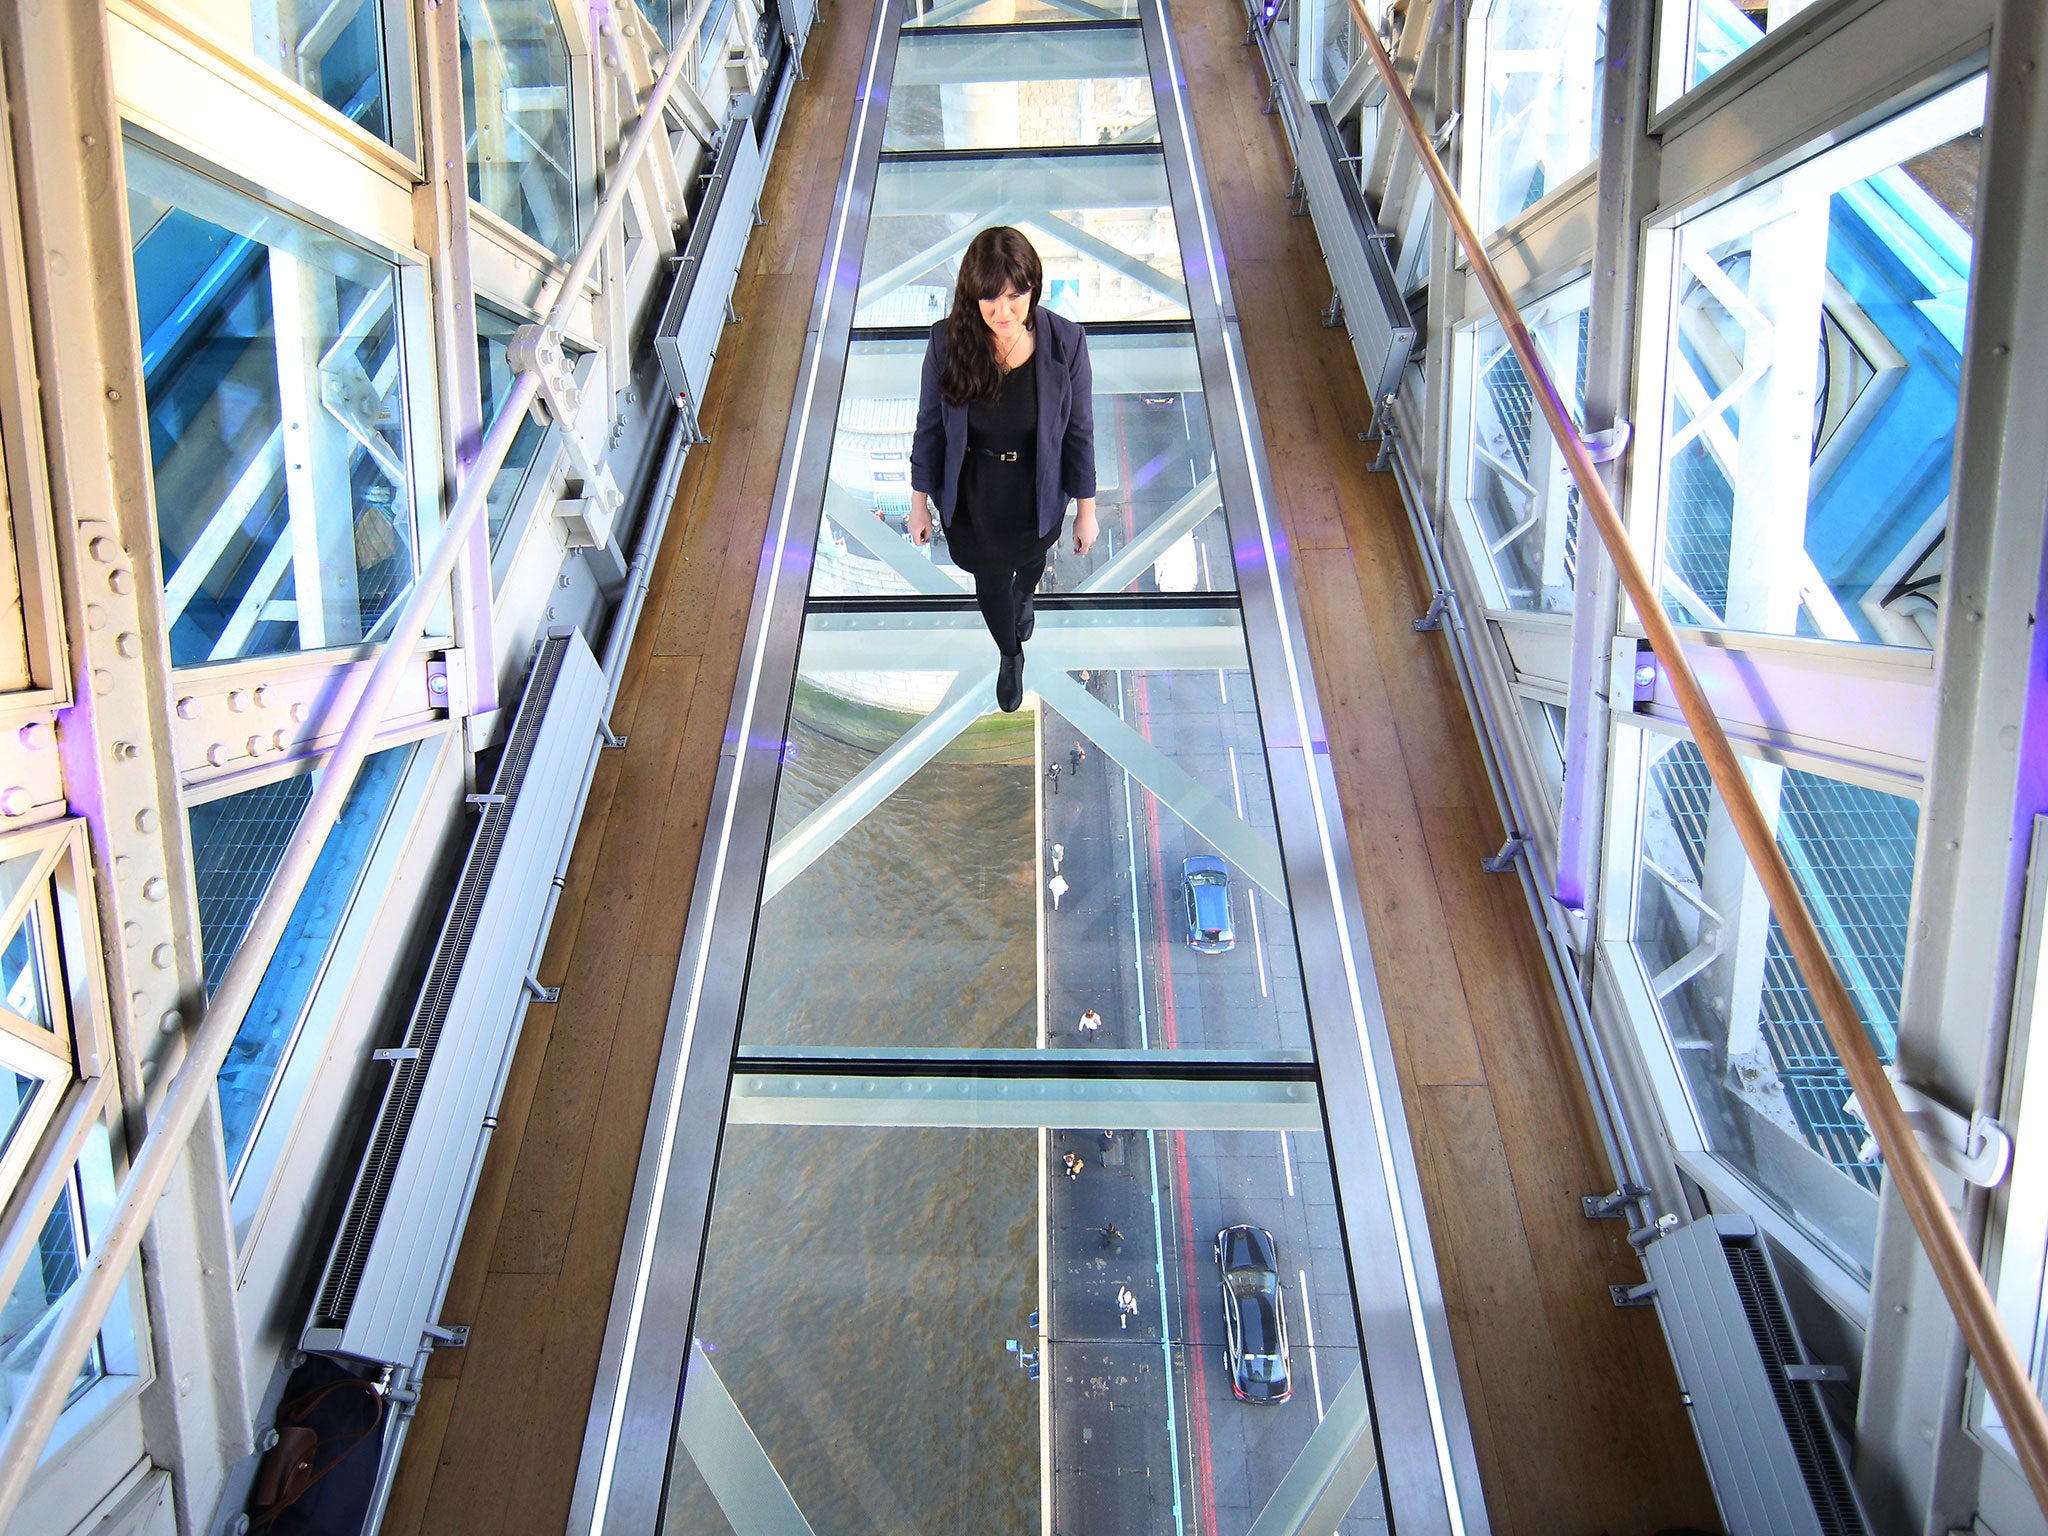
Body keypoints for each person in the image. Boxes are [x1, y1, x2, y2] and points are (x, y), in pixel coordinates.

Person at [908, 227, 1099, 712]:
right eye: (989, 298)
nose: (1004, 311)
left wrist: (1086, 510)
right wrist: (918, 503)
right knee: (990, 584)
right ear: (972, 296)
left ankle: (1027, 594)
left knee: (1032, 561)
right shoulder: (948, 342)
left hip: (1038, 488)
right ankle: (1010, 654)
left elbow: (1079, 431)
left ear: (1034, 288)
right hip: (974, 497)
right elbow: (929, 427)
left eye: (1016, 295)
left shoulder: (1066, 343)